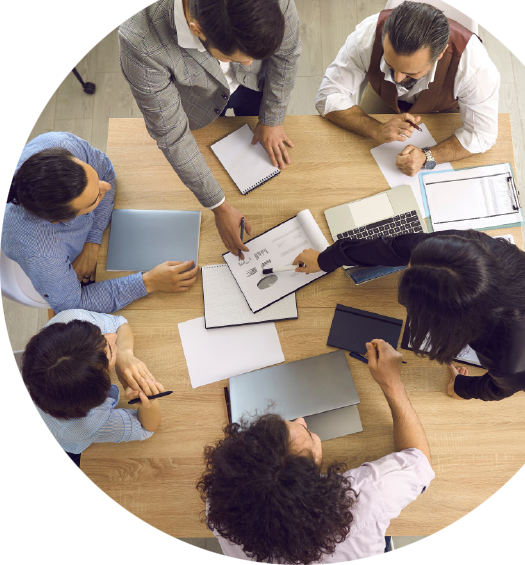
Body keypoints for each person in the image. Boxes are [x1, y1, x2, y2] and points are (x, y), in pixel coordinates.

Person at [197, 339, 434, 564]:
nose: (301, 418)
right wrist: (392, 383)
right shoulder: (365, 501)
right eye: (308, 433)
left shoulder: (221, 500)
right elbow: (419, 460)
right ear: (313, 480)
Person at [118, 0, 301, 255]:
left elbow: (287, 52)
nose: (247, 64)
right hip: (195, 105)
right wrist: (218, 205)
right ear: (197, 29)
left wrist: (273, 118)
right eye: (235, 56)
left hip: (255, 90)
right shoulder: (139, 39)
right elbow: (172, 135)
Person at [292, 231, 525, 402]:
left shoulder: (516, 357)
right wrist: (326, 258)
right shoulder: (466, 251)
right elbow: (395, 247)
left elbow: (501, 387)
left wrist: (462, 389)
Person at [0, 132, 199, 314]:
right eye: (95, 199)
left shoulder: (59, 143)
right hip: (48, 270)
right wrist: (149, 282)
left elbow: (106, 172)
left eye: (91, 175)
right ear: (61, 220)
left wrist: (92, 242)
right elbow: (72, 305)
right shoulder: (43, 254)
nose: (105, 186)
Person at [315, 1, 500, 175]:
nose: (396, 79)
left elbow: (482, 134)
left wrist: (427, 156)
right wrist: (376, 129)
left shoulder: (475, 68)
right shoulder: (367, 36)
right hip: (382, 95)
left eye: (410, 73)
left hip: (446, 106)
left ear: (441, 53)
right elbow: (328, 95)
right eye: (390, 65)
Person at [21, 309, 165, 471]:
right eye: (110, 350)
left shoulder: (69, 320)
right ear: (98, 393)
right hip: (63, 449)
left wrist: (124, 354)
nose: (112, 337)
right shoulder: (86, 424)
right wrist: (149, 401)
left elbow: (119, 324)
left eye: (99, 336)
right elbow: (146, 428)